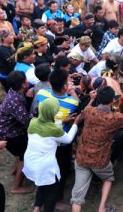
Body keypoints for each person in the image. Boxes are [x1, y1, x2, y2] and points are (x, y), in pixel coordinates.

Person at [71, 87, 123, 212]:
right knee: (108, 178)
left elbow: (85, 109)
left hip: (81, 156)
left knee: (77, 196)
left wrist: (91, 99)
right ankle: (102, 207)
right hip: (100, 160)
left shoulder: (89, 111)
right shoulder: (114, 118)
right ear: (113, 100)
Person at [23, 98, 82, 212]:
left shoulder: (33, 122)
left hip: (31, 160)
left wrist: (63, 121)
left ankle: (37, 208)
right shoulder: (54, 130)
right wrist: (75, 123)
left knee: (42, 184)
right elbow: (68, 139)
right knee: (52, 191)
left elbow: (47, 125)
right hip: (44, 166)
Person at [35, 69, 79, 206]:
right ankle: (57, 198)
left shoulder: (41, 94)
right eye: (68, 81)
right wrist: (72, 92)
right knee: (61, 171)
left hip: (44, 140)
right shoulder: (72, 103)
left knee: (45, 171)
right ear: (65, 86)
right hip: (62, 144)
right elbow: (77, 104)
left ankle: (38, 203)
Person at [0, 71, 33, 194]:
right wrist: (38, 111)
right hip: (8, 134)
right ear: (23, 84)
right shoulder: (15, 101)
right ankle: (16, 186)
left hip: (7, 130)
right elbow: (26, 121)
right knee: (25, 156)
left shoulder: (14, 93)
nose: (28, 82)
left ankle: (14, 171)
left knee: (21, 149)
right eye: (26, 80)